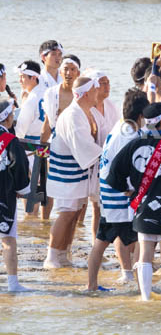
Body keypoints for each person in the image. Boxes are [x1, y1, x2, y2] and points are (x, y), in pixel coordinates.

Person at [106, 102, 161, 301]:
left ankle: (145, 299)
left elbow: (113, 173)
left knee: (144, 252)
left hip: (142, 203)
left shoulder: (134, 144)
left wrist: (127, 190)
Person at [86, 89, 146, 291]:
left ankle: (91, 285)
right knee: (139, 240)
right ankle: (141, 286)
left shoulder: (120, 125)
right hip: (120, 196)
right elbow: (126, 167)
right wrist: (130, 189)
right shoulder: (130, 134)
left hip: (109, 195)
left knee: (102, 241)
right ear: (141, 115)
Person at [44, 75, 103, 269]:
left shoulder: (86, 111)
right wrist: (104, 156)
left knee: (75, 212)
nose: (98, 93)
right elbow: (83, 145)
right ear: (86, 93)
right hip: (66, 172)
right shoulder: (73, 115)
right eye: (95, 90)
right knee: (66, 213)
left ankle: (63, 254)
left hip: (79, 172)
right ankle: (52, 256)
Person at [0, 97, 31, 292]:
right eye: (11, 113)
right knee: (8, 239)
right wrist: (23, 190)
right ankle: (13, 284)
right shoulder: (10, 141)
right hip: (3, 196)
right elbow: (19, 167)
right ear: (7, 118)